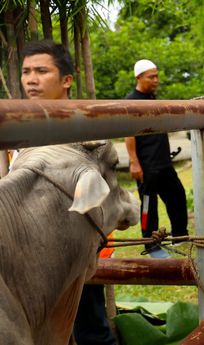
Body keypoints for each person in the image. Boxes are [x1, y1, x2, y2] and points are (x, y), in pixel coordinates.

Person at [20, 39, 117, 345]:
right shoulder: (18, 124)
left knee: (90, 329)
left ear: (66, 80)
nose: (31, 79)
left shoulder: (88, 128)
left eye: (41, 71)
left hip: (78, 251)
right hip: (30, 255)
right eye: (26, 72)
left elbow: (99, 198)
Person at [124, 59, 188, 259]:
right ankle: (151, 244)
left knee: (177, 195)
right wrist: (134, 162)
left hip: (163, 163)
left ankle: (180, 235)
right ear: (138, 77)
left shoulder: (153, 99)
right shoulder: (131, 102)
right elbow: (128, 134)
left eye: (156, 76)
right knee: (148, 206)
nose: (156, 80)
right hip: (146, 165)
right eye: (151, 77)